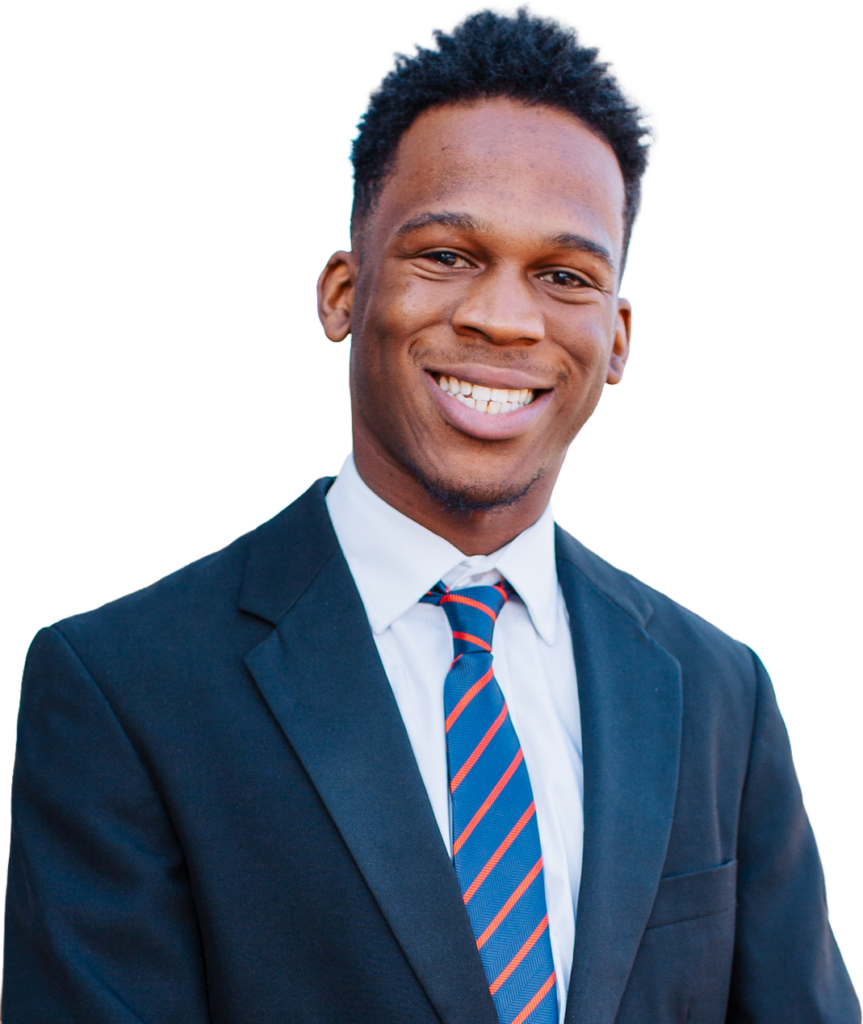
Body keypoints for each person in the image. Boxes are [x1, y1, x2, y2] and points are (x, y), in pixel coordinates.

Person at [4, 4, 859, 1022]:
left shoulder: (720, 692)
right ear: (341, 292)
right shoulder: (125, 687)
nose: (502, 318)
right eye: (447, 255)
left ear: (617, 338)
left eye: (563, 276)